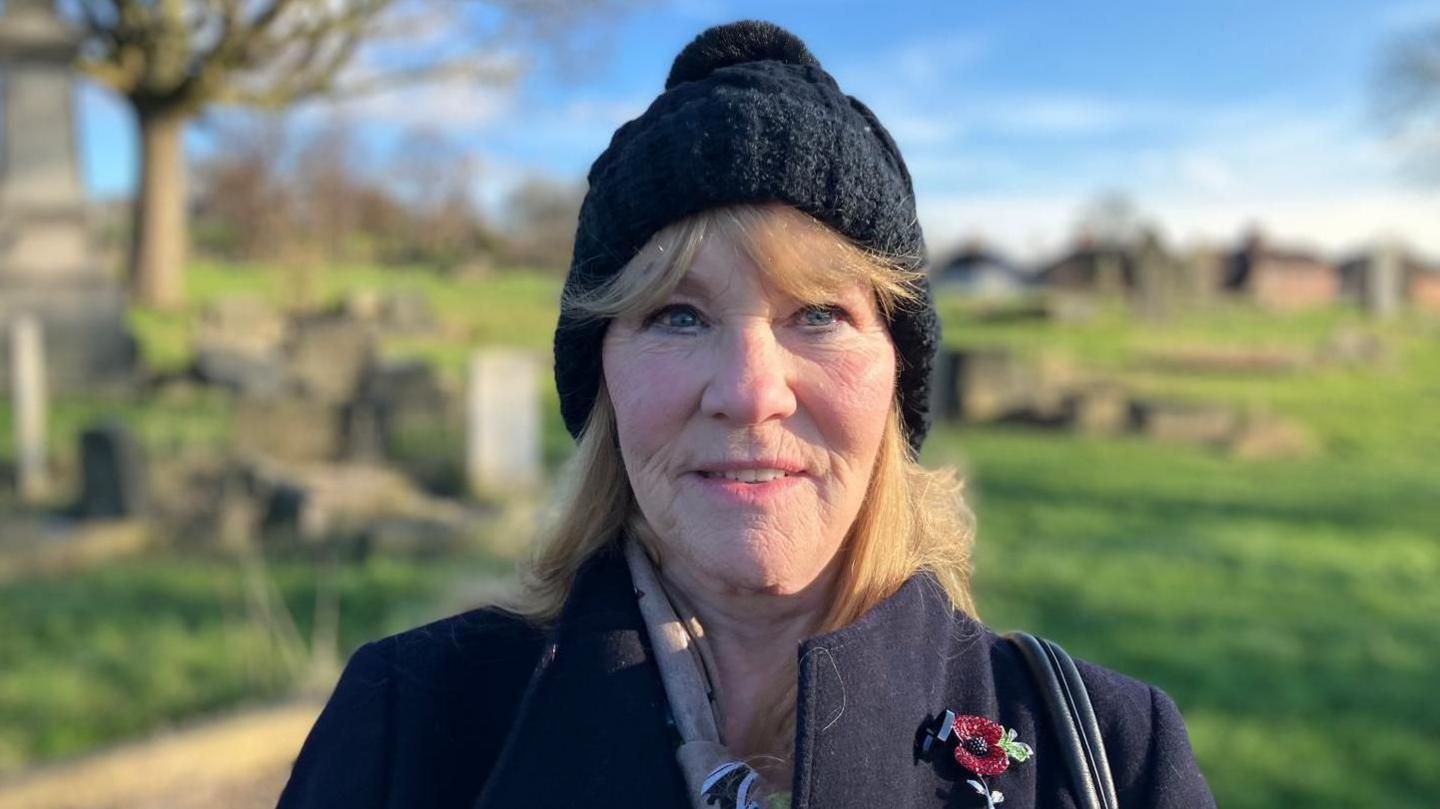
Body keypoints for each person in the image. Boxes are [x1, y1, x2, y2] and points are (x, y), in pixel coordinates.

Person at [276, 20, 1216, 809]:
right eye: (676, 315)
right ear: (602, 376)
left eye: (819, 314)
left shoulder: (1106, 757)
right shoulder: (412, 729)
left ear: (898, 374)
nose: (750, 389)